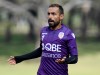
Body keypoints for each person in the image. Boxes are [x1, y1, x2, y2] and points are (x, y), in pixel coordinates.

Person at [8, 4, 78, 75]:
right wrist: (20, 58)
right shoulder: (44, 31)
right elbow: (41, 51)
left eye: (53, 14)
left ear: (61, 16)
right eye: (49, 14)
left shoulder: (68, 34)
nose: (50, 16)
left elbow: (74, 58)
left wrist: (66, 60)